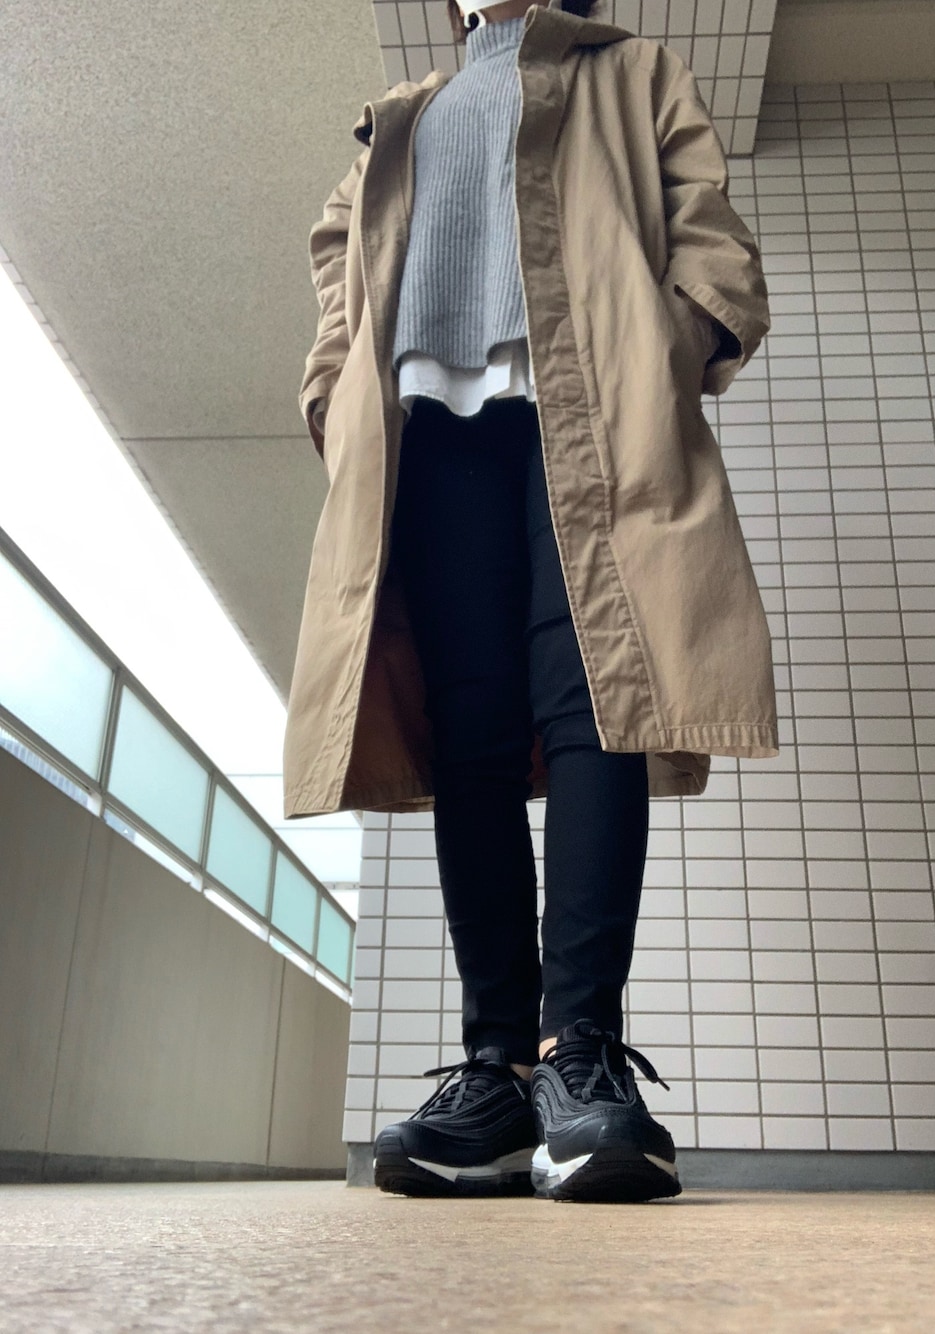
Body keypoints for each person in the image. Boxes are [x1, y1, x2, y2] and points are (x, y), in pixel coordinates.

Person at [287, 0, 777, 1203]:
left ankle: (580, 1051)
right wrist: (332, 401)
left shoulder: (632, 71)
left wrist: (665, 347)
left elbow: (710, 238)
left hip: (591, 415)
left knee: (597, 698)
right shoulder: (396, 118)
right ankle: (498, 1068)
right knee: (471, 729)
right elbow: (338, 281)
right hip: (431, 436)